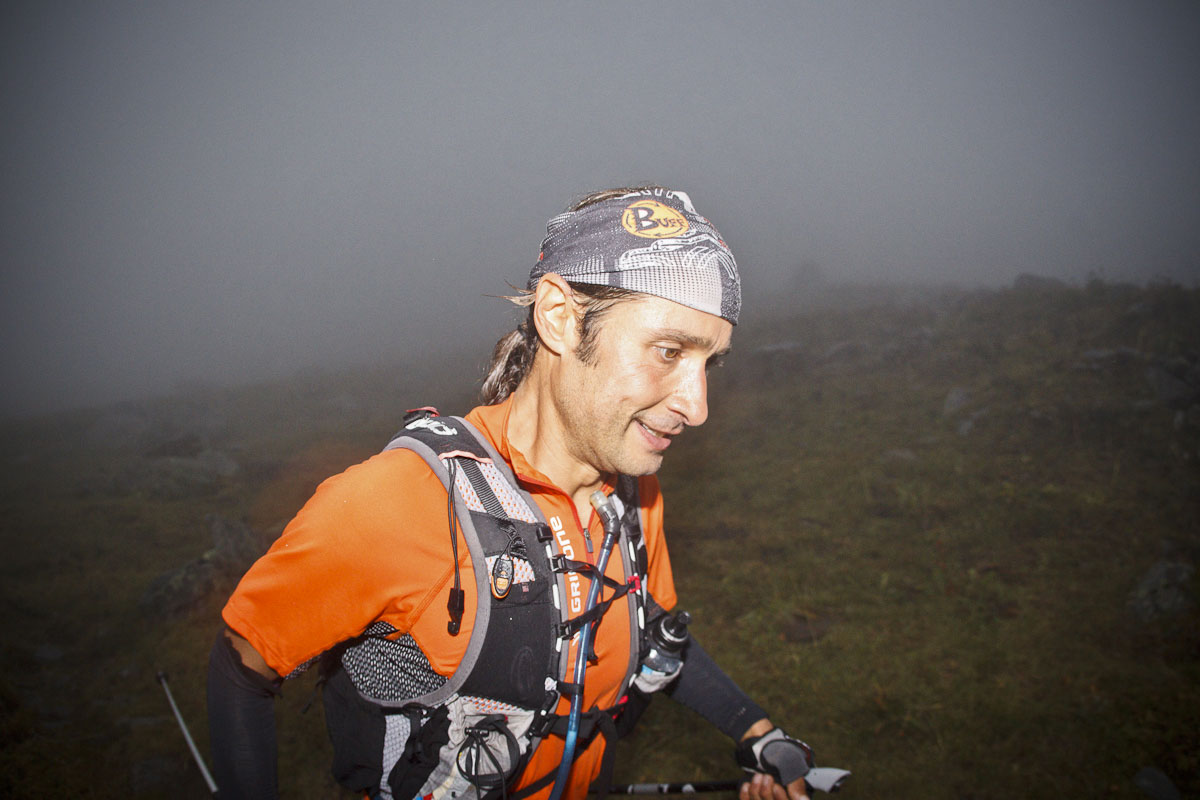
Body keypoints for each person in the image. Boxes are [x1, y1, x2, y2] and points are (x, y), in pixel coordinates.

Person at [207, 187, 828, 800]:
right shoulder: (401, 501)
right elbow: (244, 663)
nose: (698, 408)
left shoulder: (634, 500)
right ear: (559, 317)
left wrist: (758, 733)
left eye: (708, 364)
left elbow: (655, 634)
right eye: (669, 352)